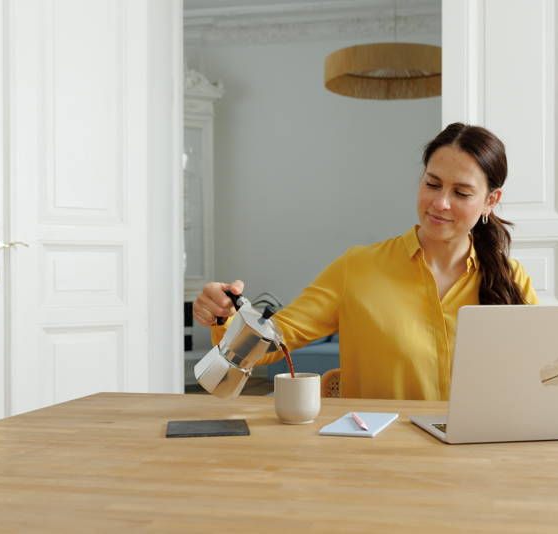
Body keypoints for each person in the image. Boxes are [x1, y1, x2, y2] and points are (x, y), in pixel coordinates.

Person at [192, 122, 539, 401]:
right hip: (377, 458)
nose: (441, 203)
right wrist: (226, 314)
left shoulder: (511, 279)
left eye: (461, 193)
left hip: (478, 456)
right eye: (432, 184)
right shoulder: (357, 268)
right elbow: (271, 346)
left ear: (490, 201)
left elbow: (538, 374)